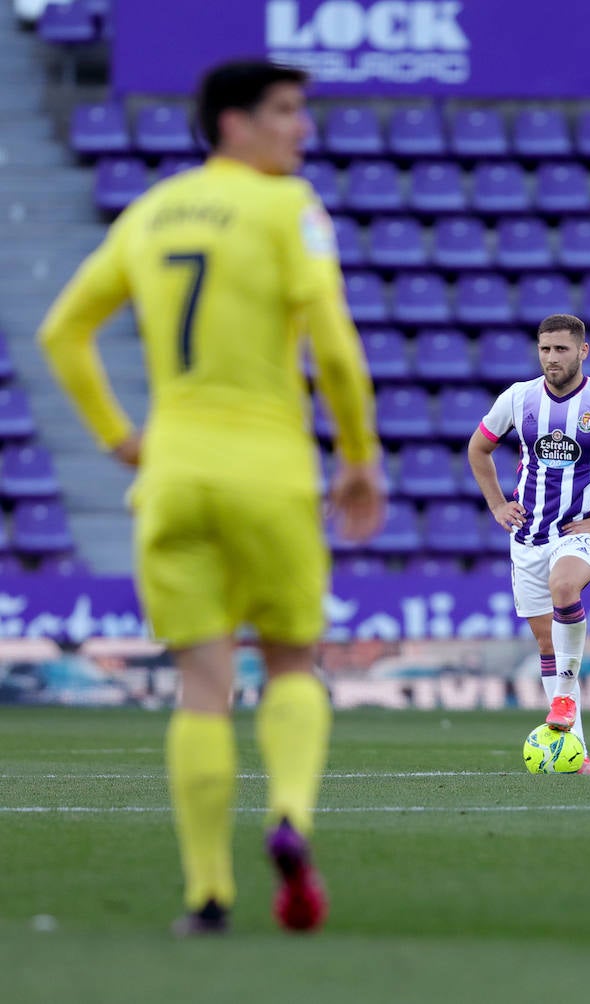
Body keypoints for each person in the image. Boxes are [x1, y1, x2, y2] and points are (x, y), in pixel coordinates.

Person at [38, 60, 386, 934]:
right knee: (291, 662)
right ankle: (290, 819)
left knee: (201, 686)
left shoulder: (150, 214)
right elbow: (336, 350)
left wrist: (123, 439)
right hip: (266, 471)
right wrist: (359, 459)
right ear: (232, 122)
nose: (301, 130)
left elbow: (62, 332)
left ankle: (205, 896)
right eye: (285, 112)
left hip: (174, 477)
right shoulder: (288, 207)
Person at [467, 313, 590, 772]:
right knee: (548, 646)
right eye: (545, 350)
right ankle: (575, 755)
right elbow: (478, 449)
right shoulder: (518, 399)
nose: (552, 358)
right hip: (527, 535)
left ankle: (562, 698)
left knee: (565, 588)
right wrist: (498, 504)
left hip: (576, 533)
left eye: (561, 349)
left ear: (583, 351)